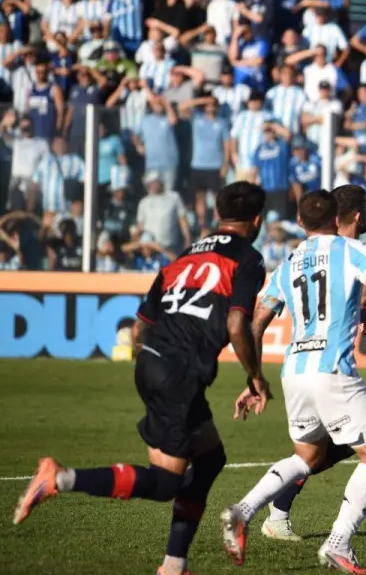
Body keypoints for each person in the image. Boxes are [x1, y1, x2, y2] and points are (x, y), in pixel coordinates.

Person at [13, 182, 270, 575]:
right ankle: (59, 478)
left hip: (154, 362)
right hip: (178, 372)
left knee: (210, 458)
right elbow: (237, 324)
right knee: (166, 483)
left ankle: (174, 565)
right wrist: (256, 377)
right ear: (258, 220)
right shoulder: (247, 259)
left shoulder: (182, 258)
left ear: (217, 215)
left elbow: (138, 330)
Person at [220, 189, 366, 574]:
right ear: (337, 219)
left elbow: (256, 324)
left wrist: (254, 378)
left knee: (309, 457)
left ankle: (242, 511)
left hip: (294, 372)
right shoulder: (353, 252)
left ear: (300, 223)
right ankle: (339, 543)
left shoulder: (289, 263)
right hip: (332, 369)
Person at [257, 184, 366, 540]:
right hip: (327, 368)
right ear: (355, 214)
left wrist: (360, 312)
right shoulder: (351, 250)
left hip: (303, 366)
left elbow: (338, 300)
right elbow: (354, 296)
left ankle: (271, 512)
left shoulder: (309, 253)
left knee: (327, 450)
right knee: (349, 450)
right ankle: (279, 515)